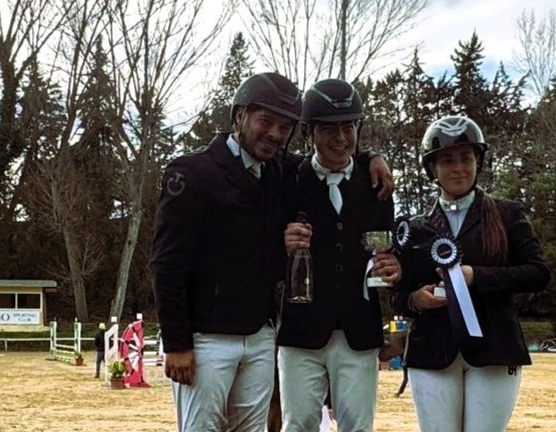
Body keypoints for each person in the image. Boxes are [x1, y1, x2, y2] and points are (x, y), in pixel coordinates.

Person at [150, 72, 393, 432]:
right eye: (266, 122)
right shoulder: (193, 172)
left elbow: (333, 154)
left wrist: (371, 155)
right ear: (239, 116)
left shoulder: (279, 171)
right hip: (207, 337)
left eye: (284, 127)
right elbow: (167, 263)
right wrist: (176, 342)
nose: (275, 134)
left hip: (261, 337)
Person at [392, 115, 550, 432]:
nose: (459, 168)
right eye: (447, 161)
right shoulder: (413, 227)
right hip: (432, 351)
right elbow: (397, 296)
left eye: (466, 158)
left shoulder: (508, 214)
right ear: (432, 168)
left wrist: (476, 276)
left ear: (478, 161)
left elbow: (538, 273)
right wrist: (414, 300)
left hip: (494, 348)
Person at [278, 78, 402, 432]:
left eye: (348, 127)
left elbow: (387, 247)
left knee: (358, 425)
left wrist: (395, 266)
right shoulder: (288, 178)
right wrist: (281, 242)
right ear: (308, 132)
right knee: (298, 423)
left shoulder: (376, 183)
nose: (341, 138)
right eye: (328, 129)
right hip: (300, 329)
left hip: (358, 329)